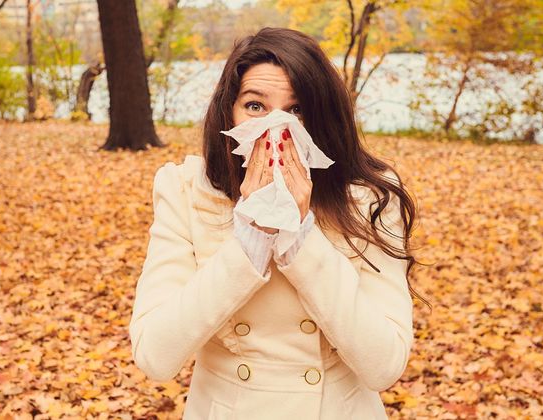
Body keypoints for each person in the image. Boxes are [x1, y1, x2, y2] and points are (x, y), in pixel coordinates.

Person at [129, 26, 428, 420]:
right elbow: (155, 356)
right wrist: (250, 240)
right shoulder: (185, 190)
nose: (277, 129)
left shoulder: (370, 197)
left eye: (297, 109)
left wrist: (300, 235)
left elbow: (384, 365)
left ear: (321, 117)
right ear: (229, 112)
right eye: (255, 107)